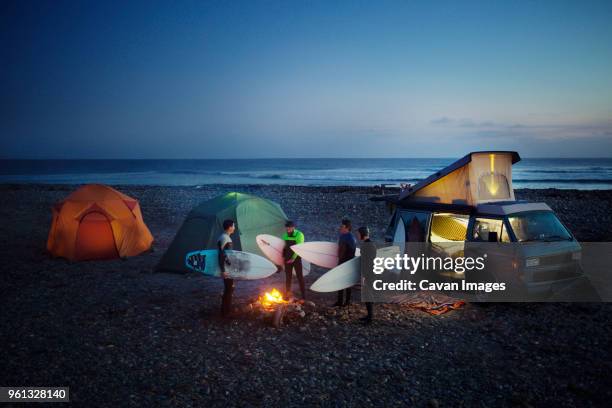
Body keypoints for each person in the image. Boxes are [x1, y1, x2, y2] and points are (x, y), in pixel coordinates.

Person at [334, 218, 357, 307]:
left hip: (345, 262)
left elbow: (345, 252)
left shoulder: (347, 237)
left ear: (347, 227)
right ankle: (343, 302)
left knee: (344, 283)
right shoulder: (349, 237)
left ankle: (344, 302)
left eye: (342, 226)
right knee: (344, 282)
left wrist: (340, 263)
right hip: (347, 262)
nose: (340, 228)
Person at [282, 221, 306, 300]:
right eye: (286, 228)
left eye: (289, 227)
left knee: (300, 277)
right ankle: (287, 295)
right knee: (288, 277)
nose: (287, 229)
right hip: (287, 258)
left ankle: (304, 296)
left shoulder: (299, 235)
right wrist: (283, 257)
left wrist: (293, 259)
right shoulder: (285, 235)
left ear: (293, 227)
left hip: (296, 259)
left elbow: (299, 248)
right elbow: (285, 247)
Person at [357, 226, 377, 324]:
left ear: (362, 234)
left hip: (368, 274)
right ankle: (369, 316)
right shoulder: (371, 244)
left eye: (358, 233)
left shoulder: (366, 246)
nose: (357, 235)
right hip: (372, 273)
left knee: (367, 295)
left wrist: (364, 276)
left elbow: (366, 262)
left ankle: (370, 318)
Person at [218, 219, 236, 317]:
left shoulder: (223, 237)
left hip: (227, 268)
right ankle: (226, 313)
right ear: (229, 227)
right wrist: (223, 270)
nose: (234, 228)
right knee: (229, 289)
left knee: (229, 288)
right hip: (226, 269)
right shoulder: (226, 239)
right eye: (233, 226)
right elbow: (222, 255)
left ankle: (224, 311)